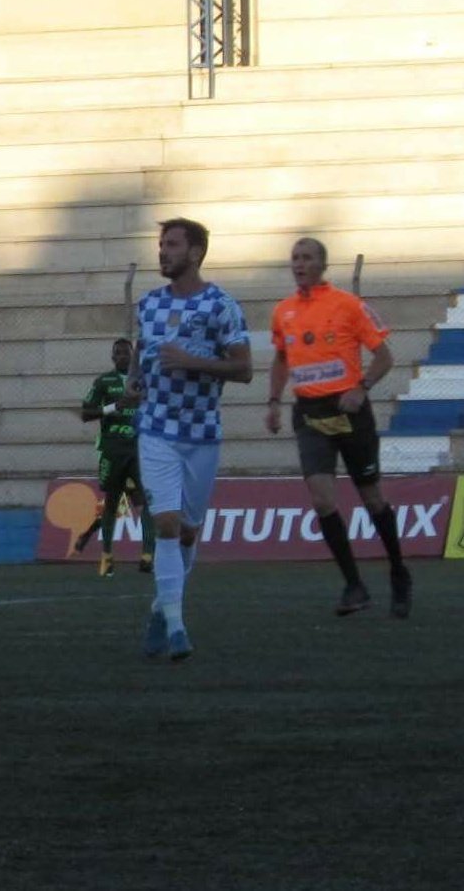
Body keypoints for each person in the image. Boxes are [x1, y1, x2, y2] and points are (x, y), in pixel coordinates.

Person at [266, 238, 412, 618]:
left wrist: (361, 388)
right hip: (309, 415)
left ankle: (398, 571)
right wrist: (274, 401)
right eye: (295, 258)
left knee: (372, 498)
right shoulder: (283, 311)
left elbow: (384, 357)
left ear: (323, 264)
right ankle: (354, 585)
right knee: (322, 500)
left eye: (306, 258)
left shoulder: (348, 305)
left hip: (350, 412)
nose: (299, 264)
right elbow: (281, 358)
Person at [128, 218, 253, 661]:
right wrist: (133, 382)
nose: (163, 251)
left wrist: (191, 362)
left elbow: (244, 369)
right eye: (161, 244)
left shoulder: (221, 305)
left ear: (196, 252)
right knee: (165, 523)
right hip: (155, 429)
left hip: (201, 434)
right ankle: (178, 628)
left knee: (187, 532)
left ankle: (161, 611)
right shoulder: (148, 304)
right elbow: (141, 354)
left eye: (172, 245)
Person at [78, 337, 156, 577]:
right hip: (112, 448)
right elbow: (85, 414)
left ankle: (147, 555)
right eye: (118, 353)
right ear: (112, 357)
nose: (122, 356)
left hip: (140, 448)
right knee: (112, 501)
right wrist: (113, 407)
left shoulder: (146, 380)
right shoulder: (104, 382)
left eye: (126, 352)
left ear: (133, 356)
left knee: (146, 500)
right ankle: (107, 556)